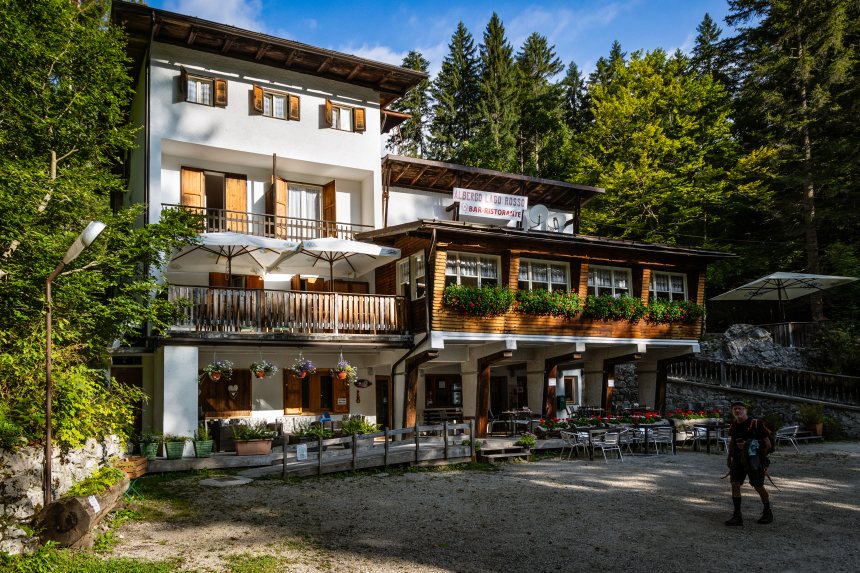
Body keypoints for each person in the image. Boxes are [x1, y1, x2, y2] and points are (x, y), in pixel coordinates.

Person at [725, 400, 773, 526]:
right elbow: (732, 442)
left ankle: (767, 511)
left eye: (740, 408)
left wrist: (750, 445)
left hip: (754, 460)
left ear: (745, 410)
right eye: (735, 408)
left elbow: (768, 444)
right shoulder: (734, 425)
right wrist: (729, 457)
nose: (737, 411)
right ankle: (737, 515)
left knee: (758, 486)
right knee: (735, 484)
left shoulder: (756, 423)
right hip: (738, 459)